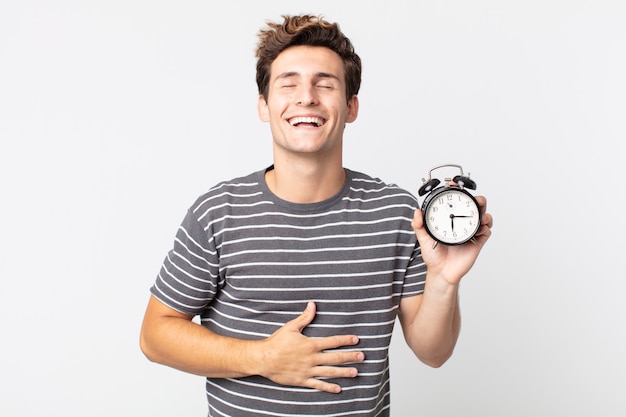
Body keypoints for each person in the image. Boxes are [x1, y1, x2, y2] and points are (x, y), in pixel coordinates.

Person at [140, 14, 493, 416]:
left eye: (325, 84)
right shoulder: (218, 212)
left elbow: (434, 353)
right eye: (288, 84)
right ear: (263, 105)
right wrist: (264, 357)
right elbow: (156, 335)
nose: (306, 97)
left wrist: (444, 280)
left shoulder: (397, 214)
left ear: (351, 106)